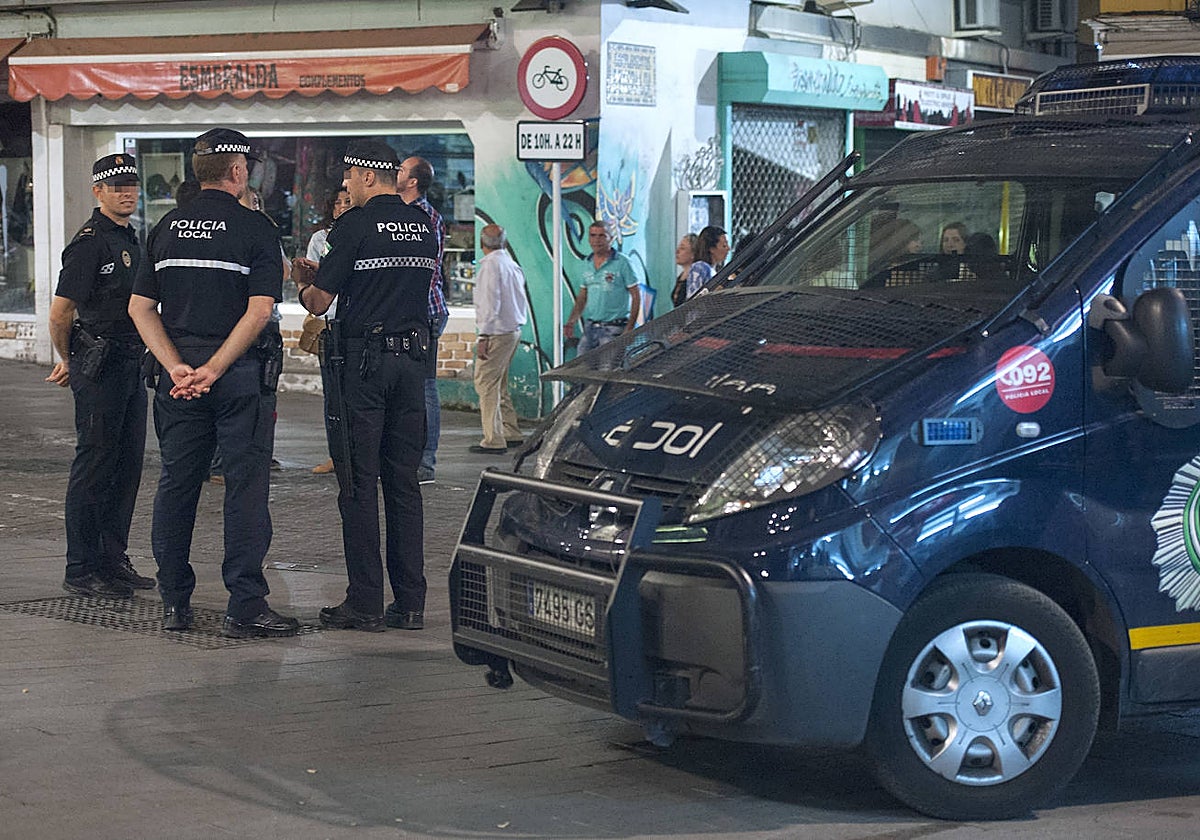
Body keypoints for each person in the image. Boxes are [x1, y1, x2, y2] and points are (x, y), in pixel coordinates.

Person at [128, 127, 298, 638]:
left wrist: (176, 366)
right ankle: (245, 607)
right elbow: (260, 309)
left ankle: (174, 603)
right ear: (239, 171)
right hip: (237, 376)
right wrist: (216, 367)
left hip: (178, 379)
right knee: (245, 489)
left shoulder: (165, 227)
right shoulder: (255, 228)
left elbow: (140, 308)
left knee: (176, 485)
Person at [292, 139, 438, 632]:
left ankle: (365, 602)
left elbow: (319, 301)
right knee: (404, 484)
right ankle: (411, 603)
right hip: (412, 365)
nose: (346, 185)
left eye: (349, 176)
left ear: (368, 176)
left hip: (363, 367)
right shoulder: (423, 225)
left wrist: (302, 282)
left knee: (357, 483)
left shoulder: (353, 225)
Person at [45, 154, 156, 598]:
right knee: (94, 466)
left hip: (131, 363)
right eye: (116, 187)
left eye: (131, 186)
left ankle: (112, 561)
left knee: (126, 468)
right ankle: (80, 568)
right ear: (98, 192)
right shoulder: (89, 243)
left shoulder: (131, 238)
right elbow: (60, 313)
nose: (127, 193)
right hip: (100, 365)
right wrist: (69, 359)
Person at [397, 156, 447, 485]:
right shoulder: (403, 213)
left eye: (401, 170)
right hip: (413, 311)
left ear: (413, 182)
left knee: (426, 387)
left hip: (424, 311)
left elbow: (425, 269)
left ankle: (425, 462)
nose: (396, 173)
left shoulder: (423, 216)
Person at [306, 187, 352, 476]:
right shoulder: (321, 239)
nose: (343, 206)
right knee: (333, 395)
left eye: (348, 201)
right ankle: (337, 454)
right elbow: (316, 281)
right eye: (338, 202)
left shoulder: (362, 233)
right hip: (330, 323)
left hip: (355, 323)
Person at [471, 224, 528, 455]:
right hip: (512, 330)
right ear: (504, 242)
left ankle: (493, 439)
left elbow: (489, 302)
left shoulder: (490, 266)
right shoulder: (511, 264)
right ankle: (510, 430)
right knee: (499, 384)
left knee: (485, 383)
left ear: (481, 243)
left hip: (496, 332)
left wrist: (483, 335)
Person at [564, 220, 640, 354]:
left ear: (611, 238)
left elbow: (636, 296)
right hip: (591, 327)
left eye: (602, 236)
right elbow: (582, 296)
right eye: (593, 235)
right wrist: (571, 321)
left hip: (614, 328)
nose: (596, 240)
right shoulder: (587, 263)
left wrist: (630, 328)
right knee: (581, 364)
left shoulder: (623, 263)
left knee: (608, 366)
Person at [683, 225, 730, 300]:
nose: (728, 248)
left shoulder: (712, 270)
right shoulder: (699, 267)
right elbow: (693, 299)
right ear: (711, 249)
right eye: (724, 245)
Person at [670, 232, 697, 308]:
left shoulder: (695, 277)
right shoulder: (681, 276)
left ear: (693, 253)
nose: (677, 252)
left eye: (682, 248)